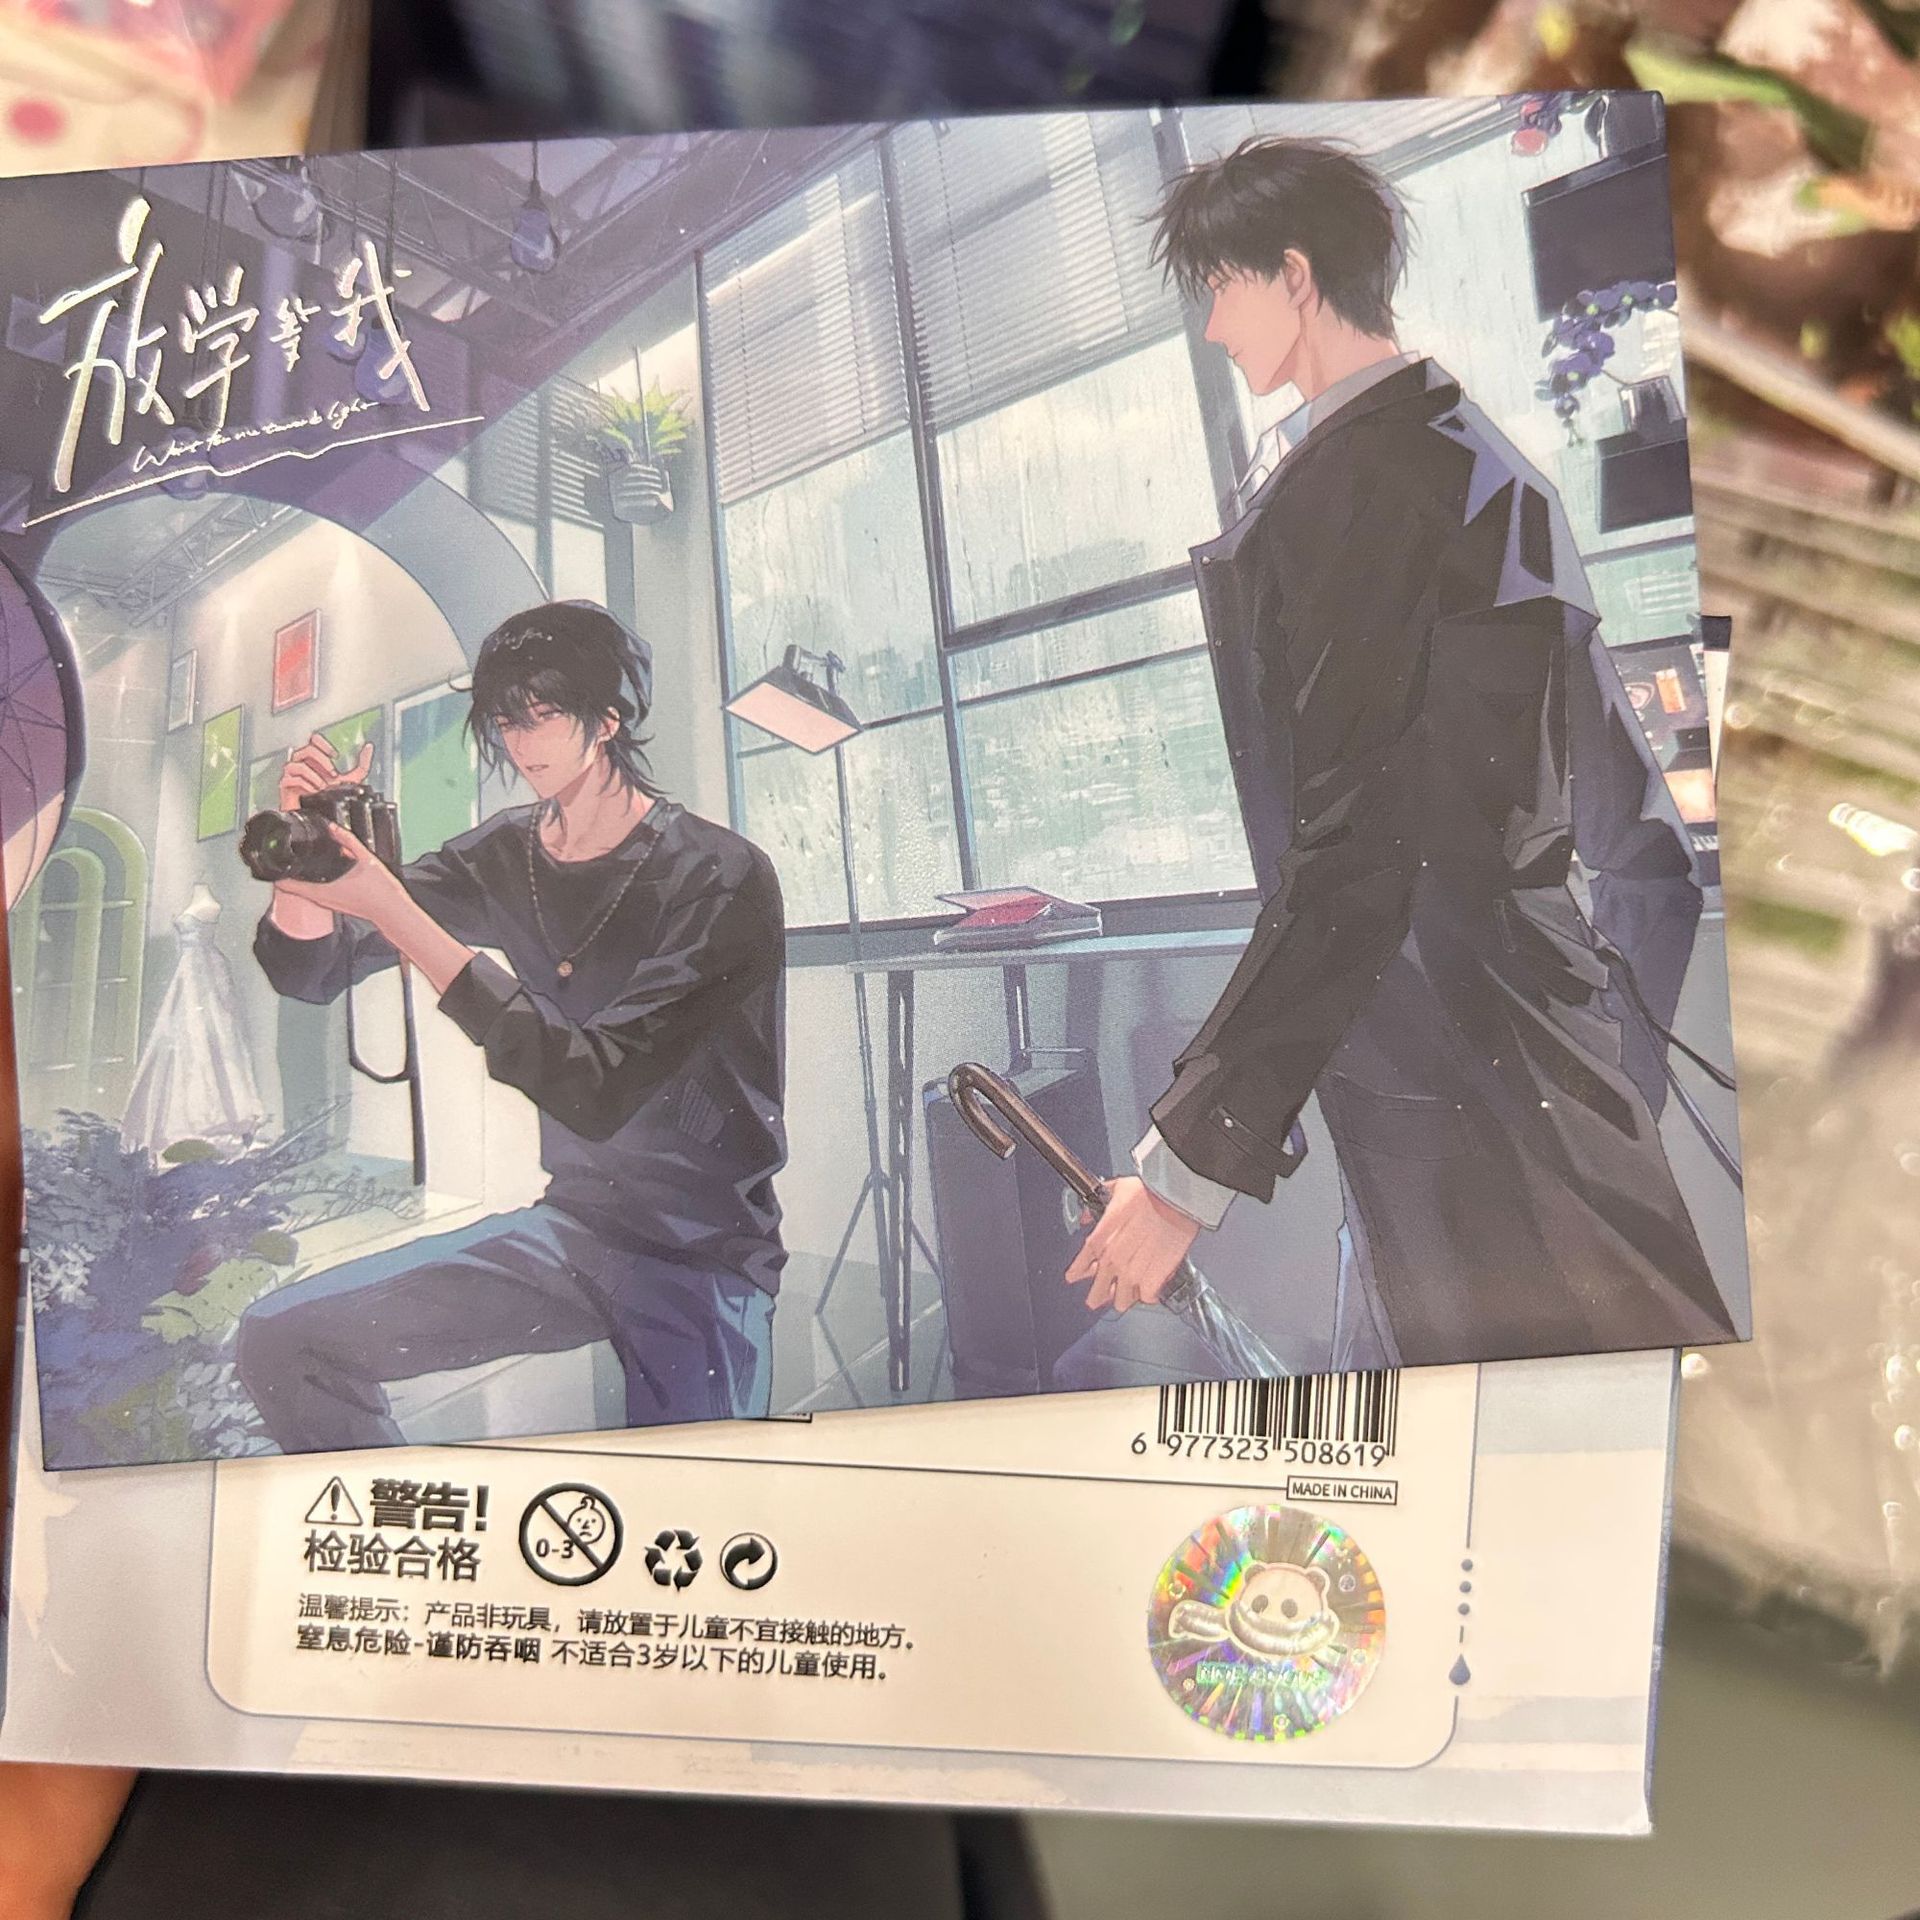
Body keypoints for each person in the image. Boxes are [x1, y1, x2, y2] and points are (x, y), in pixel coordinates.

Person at [1063, 137, 1739, 1376]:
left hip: (1453, 1095)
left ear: (1295, 276)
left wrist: (1181, 1173)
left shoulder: (1364, 484)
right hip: (1537, 1074)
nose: (1213, 327)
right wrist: (1611, 1085)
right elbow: (1643, 844)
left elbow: (1359, 846)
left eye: (1220, 288)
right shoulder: (1493, 469)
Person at [236, 600, 787, 1451]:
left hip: (703, 1253)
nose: (522, 741)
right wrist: (301, 865)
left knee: (694, 1499)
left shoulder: (719, 873)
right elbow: (312, 973)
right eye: (506, 719)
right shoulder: (506, 853)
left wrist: (394, 910)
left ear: (608, 719)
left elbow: (595, 1086)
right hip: (575, 1228)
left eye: (545, 714)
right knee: (281, 1338)